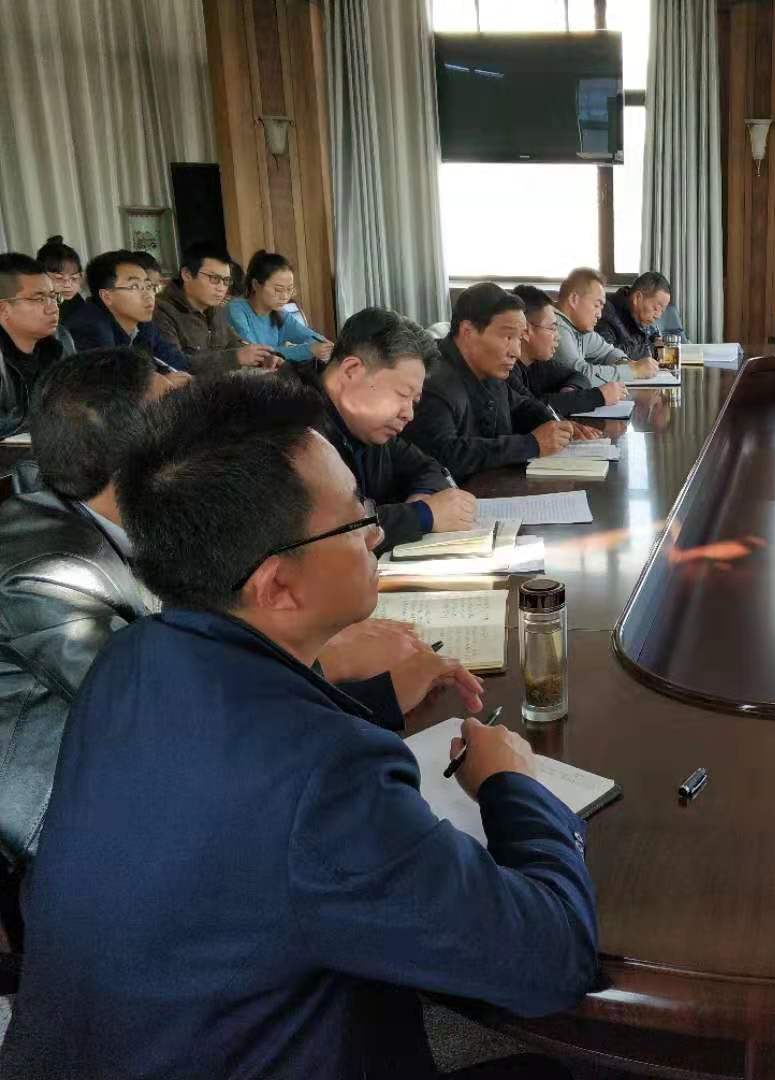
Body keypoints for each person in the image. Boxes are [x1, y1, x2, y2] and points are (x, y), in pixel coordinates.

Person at [0, 373, 593, 1078]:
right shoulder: (324, 778)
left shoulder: (131, 659)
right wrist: (511, 785)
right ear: (277, 585)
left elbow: (233, 779)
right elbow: (551, 958)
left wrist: (373, 696)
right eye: (354, 518)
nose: (376, 531)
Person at [0, 351, 446, 871]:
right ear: (144, 460)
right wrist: (337, 665)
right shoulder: (49, 575)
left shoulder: (132, 517)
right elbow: (177, 714)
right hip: (86, 833)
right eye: (183, 413)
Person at [286, 307, 476, 553]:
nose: (409, 414)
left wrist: (422, 496)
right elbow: (319, 536)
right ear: (352, 371)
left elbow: (428, 467)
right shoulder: (287, 429)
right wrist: (421, 515)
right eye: (402, 394)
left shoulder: (368, 428)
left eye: (414, 401)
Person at [405, 283, 594, 481]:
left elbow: (520, 406)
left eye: (518, 339)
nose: (516, 352)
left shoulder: (489, 370)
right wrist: (531, 444)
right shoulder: (431, 379)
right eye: (507, 337)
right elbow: (443, 455)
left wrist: (556, 425)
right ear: (468, 331)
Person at [152, 240, 280, 374]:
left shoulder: (216, 309)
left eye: (226, 281)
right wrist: (235, 358)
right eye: (214, 279)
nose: (221, 288)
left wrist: (263, 358)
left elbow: (234, 344)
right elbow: (173, 365)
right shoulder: (161, 310)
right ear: (187, 275)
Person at [63, 250, 190, 374]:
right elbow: (110, 381)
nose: (148, 295)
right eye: (134, 286)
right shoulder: (90, 329)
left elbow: (175, 360)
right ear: (107, 296)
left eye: (148, 286)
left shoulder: (142, 323)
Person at [514, 283, 627, 417]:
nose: (558, 336)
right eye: (552, 328)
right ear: (526, 331)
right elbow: (532, 406)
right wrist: (598, 396)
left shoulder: (537, 364)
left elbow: (578, 376)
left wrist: (570, 391)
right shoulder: (507, 371)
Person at [0, 253, 70, 437]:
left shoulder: (60, 340)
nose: (53, 308)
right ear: (3, 309)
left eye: (53, 297)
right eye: (39, 299)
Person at [554, 266, 658, 384]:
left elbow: (608, 352)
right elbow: (578, 375)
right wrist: (633, 371)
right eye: (596, 305)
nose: (599, 315)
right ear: (574, 299)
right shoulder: (554, 326)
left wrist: (627, 363)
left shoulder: (579, 328)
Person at [228, 249, 335, 363]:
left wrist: (324, 345)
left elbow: (309, 336)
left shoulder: (280, 314)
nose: (285, 296)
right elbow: (256, 354)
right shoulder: (236, 309)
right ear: (256, 285)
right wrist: (308, 350)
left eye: (289, 289)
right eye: (278, 290)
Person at [597, 270, 672, 360]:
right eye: (656, 308)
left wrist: (656, 342)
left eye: (662, 311)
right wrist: (651, 348)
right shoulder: (604, 313)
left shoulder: (641, 317)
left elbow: (653, 339)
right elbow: (607, 356)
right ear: (637, 298)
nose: (658, 316)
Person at [35, 235, 85, 323]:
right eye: (59, 278)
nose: (68, 285)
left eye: (74, 278)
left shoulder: (76, 300)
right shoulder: (33, 306)